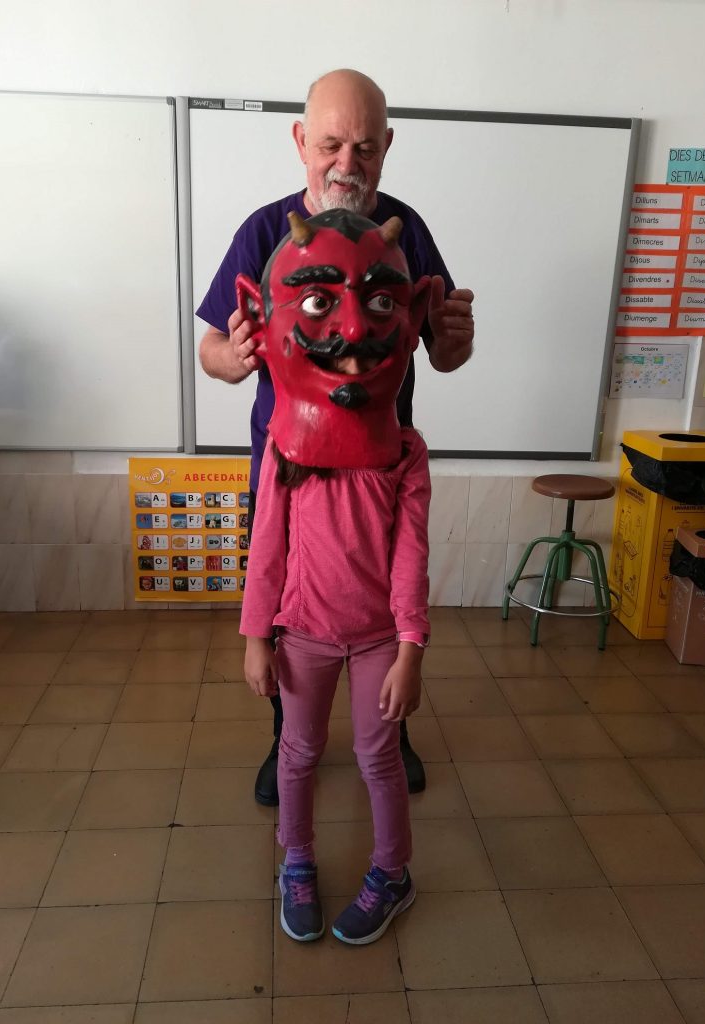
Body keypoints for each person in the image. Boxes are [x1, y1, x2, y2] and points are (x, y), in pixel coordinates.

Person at [197, 69, 475, 806]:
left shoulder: (408, 232)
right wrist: (234, 355)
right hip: (288, 469)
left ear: (387, 146)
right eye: (330, 145)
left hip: (382, 471)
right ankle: (287, 737)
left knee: (388, 601)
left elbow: (442, 351)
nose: (346, 164)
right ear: (301, 141)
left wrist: (455, 340)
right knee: (287, 609)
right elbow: (211, 350)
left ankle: (391, 733)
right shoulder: (264, 231)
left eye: (364, 147)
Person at [240, 207, 431, 944]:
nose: (353, 329)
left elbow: (411, 554)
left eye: (379, 302)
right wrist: (257, 636)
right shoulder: (282, 448)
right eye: (320, 300)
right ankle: (297, 860)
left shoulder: (406, 453)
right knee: (298, 753)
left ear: (411, 313)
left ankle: (392, 871)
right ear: (263, 317)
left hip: (380, 636)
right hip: (304, 633)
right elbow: (266, 549)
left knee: (379, 757)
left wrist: (410, 648)